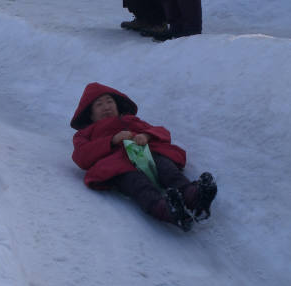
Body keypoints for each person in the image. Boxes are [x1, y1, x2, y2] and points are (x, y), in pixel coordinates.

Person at [71, 82, 217, 231]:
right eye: (99, 105)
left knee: (166, 168)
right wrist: (112, 140)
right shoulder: (85, 133)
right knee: (137, 184)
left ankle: (193, 196)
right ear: (90, 114)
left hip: (147, 153)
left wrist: (146, 135)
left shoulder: (130, 120)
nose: (106, 107)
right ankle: (167, 210)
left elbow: (161, 132)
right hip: (118, 165)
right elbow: (81, 155)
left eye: (110, 101)